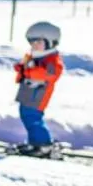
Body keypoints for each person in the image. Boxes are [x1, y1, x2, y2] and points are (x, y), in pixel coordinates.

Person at [14, 20, 65, 157]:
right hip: (28, 93)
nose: (34, 45)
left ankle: (43, 145)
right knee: (27, 116)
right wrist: (21, 67)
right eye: (32, 42)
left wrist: (29, 70)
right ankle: (34, 143)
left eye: (38, 42)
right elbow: (24, 67)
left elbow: (50, 74)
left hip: (38, 95)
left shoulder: (52, 59)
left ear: (51, 42)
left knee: (33, 118)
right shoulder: (33, 55)